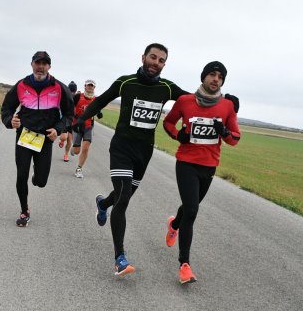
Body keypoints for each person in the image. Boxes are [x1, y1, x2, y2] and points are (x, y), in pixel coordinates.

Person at [75, 43, 239, 276]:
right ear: (143, 57)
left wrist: (229, 100)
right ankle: (119, 258)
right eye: (153, 57)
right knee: (123, 200)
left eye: (161, 60)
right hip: (121, 148)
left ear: (164, 64)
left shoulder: (166, 87)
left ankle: (102, 204)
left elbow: (197, 100)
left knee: (123, 196)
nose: (156, 63)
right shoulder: (126, 82)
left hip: (144, 153)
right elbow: (100, 101)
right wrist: (81, 119)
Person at [162, 61, 241, 283]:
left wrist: (224, 131)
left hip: (209, 166)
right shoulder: (185, 101)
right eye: (212, 75)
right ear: (203, 77)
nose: (216, 79)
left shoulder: (227, 107)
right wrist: (179, 136)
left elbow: (235, 138)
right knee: (193, 210)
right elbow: (168, 123)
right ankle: (184, 265)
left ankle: (174, 224)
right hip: (186, 162)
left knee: (190, 207)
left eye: (220, 76)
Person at [1, 51, 74, 227]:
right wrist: (10, 121)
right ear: (32, 64)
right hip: (24, 137)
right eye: (37, 63)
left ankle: (37, 176)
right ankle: (24, 211)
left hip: (45, 138)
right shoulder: (21, 85)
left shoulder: (59, 88)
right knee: (21, 176)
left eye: (44, 63)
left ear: (49, 66)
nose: (40, 66)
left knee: (41, 182)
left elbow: (69, 115)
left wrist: (58, 129)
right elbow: (6, 108)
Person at [67, 79, 103, 178]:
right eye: (88, 85)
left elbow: (98, 111)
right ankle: (73, 150)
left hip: (88, 126)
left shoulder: (96, 99)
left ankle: (79, 169)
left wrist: (99, 113)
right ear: (85, 86)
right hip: (77, 126)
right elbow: (69, 107)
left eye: (92, 86)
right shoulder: (78, 96)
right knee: (76, 151)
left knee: (86, 148)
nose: (90, 87)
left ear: (94, 88)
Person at [59, 81, 78, 162]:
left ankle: (66, 155)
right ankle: (62, 140)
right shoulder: (64, 96)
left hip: (73, 122)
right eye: (71, 91)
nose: (72, 93)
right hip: (65, 120)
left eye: (73, 91)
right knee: (63, 137)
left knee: (70, 140)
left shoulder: (77, 98)